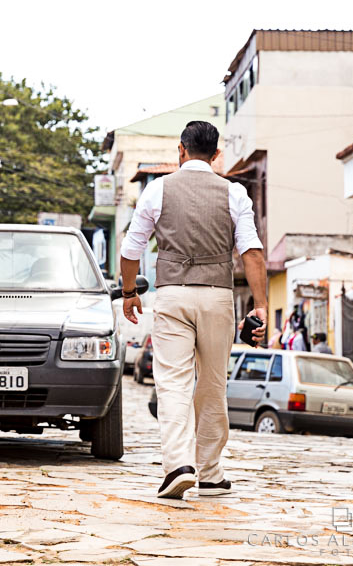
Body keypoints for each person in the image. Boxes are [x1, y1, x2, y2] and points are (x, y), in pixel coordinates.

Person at [120, 121, 268, 500]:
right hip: (218, 297)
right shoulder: (234, 193)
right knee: (213, 385)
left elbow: (130, 250)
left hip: (172, 297)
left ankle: (178, 466)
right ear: (217, 155)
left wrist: (128, 293)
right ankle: (211, 474)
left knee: (172, 383)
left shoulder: (158, 190)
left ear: (180, 150)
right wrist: (262, 305)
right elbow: (251, 253)